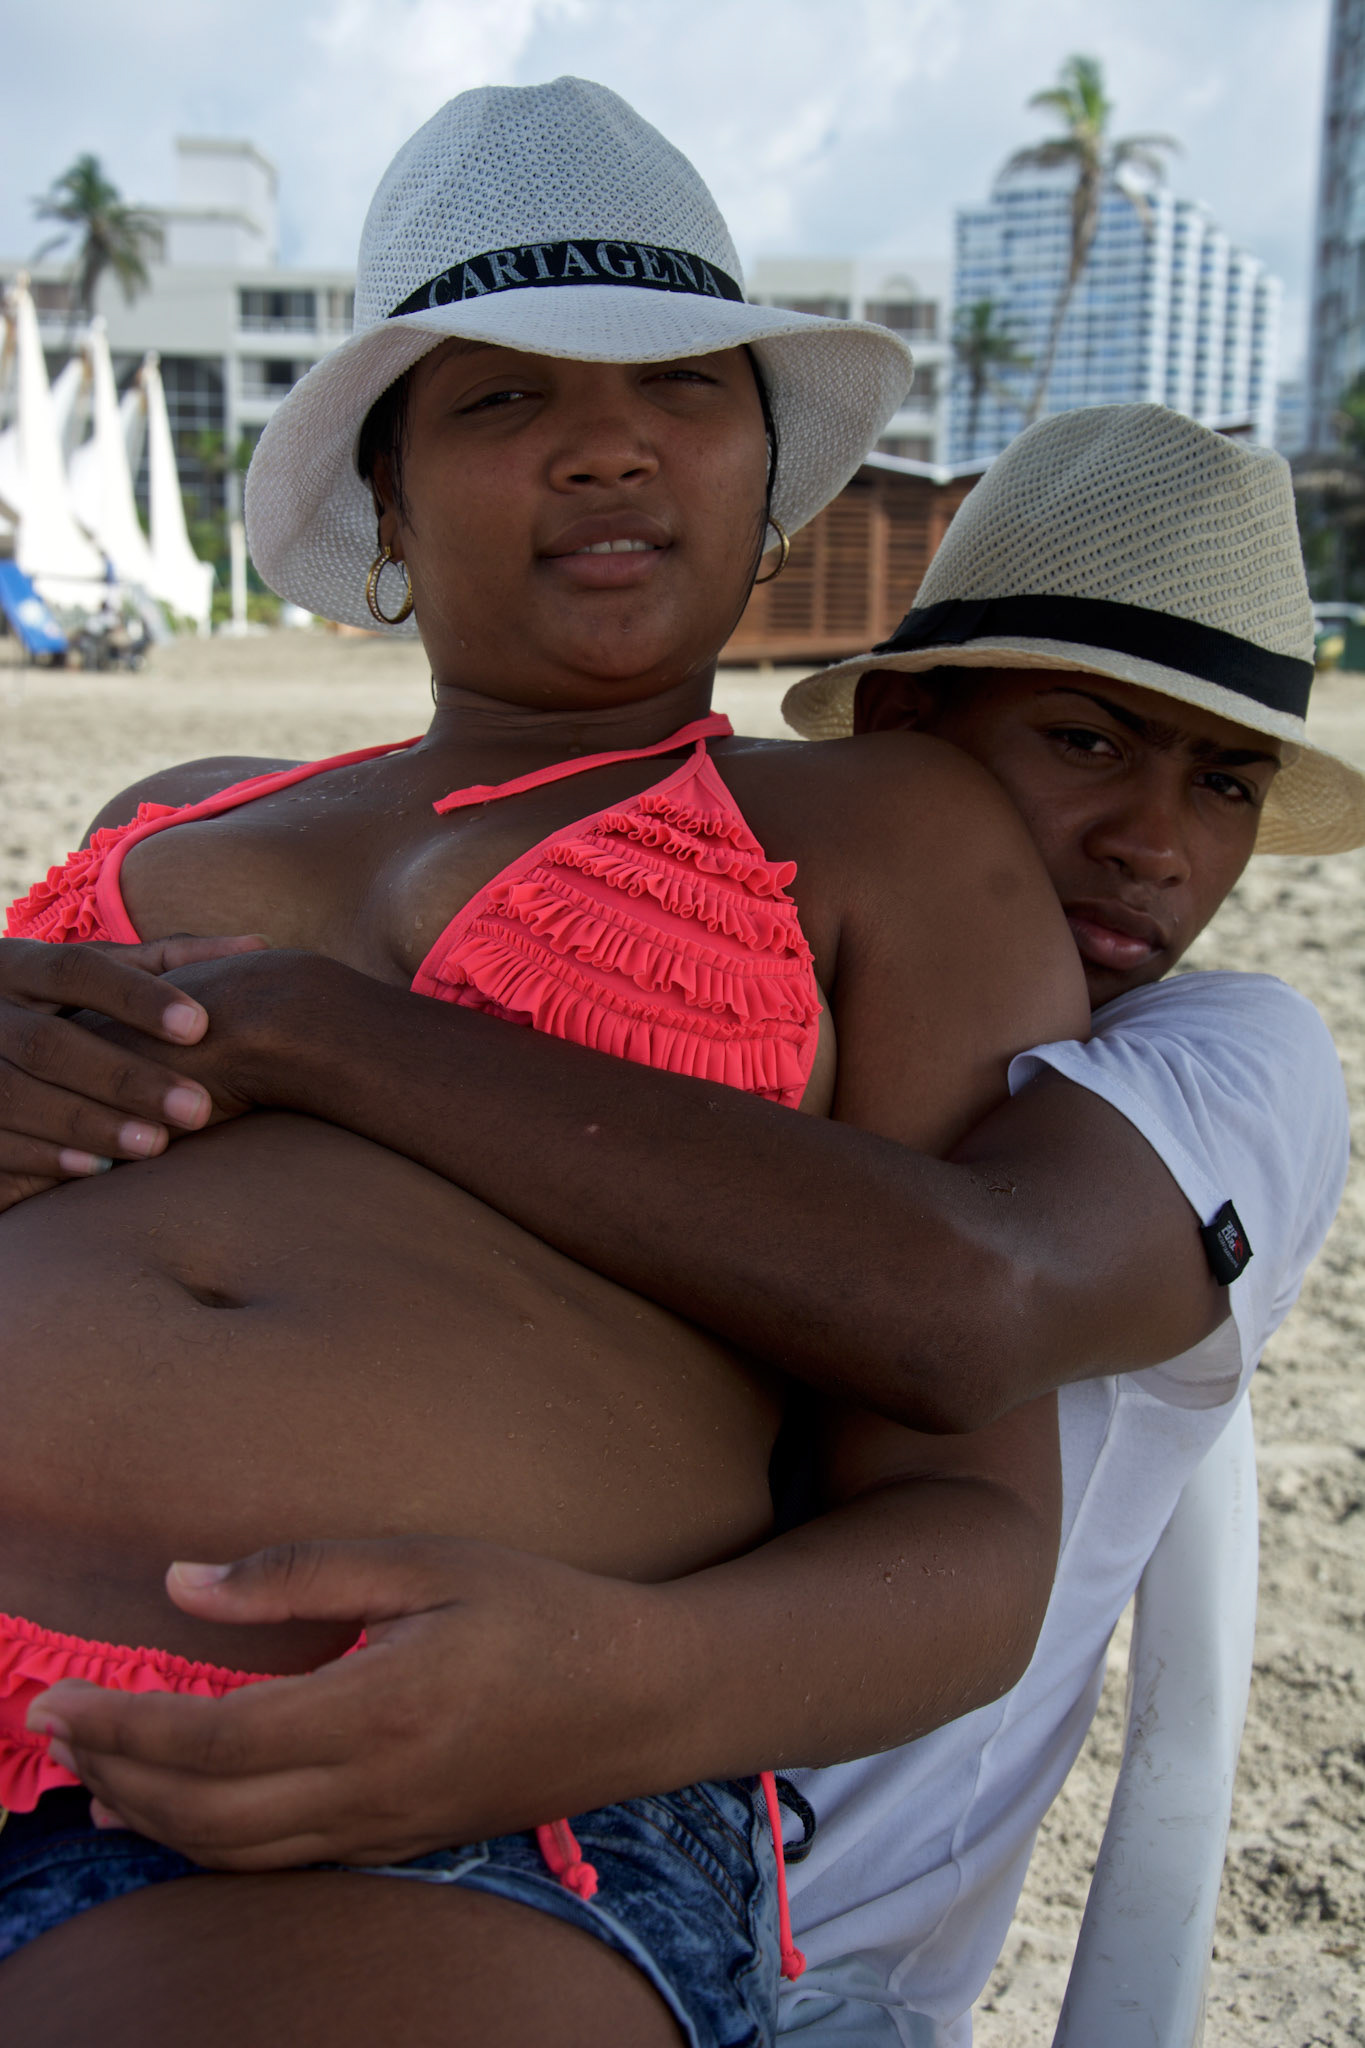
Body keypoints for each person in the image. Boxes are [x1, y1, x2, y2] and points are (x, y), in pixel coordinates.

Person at [9, 404, 1359, 2048]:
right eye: (1082, 743)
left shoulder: (1227, 1053)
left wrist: (323, 1030)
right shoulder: (741, 956)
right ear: (909, 732)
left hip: (698, 1848)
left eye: (1220, 781)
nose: (1152, 843)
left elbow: (974, 1297)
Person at [0, 79, 1089, 2048]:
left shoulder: (876, 833)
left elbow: (973, 1525)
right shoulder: (169, 817)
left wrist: (630, 1686)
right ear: (390, 506)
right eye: (499, 402)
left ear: (763, 469)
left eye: (678, 390)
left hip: (406, 1769)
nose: (603, 441)